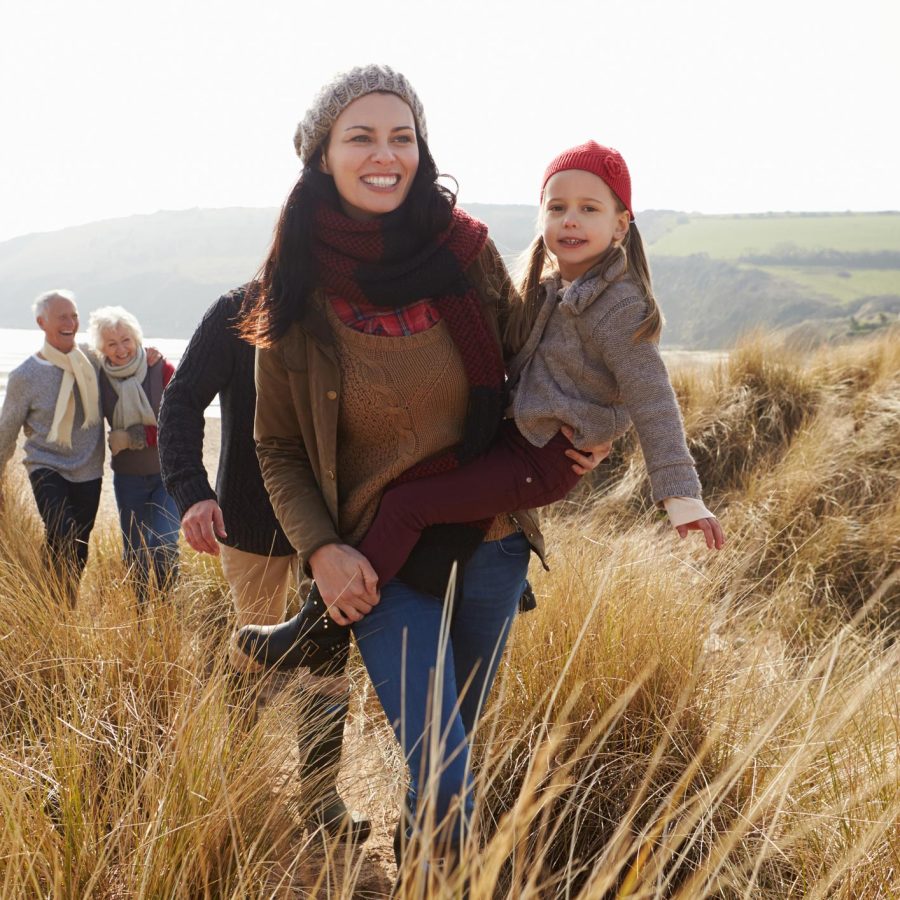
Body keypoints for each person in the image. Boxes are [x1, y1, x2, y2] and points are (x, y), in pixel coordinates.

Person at [234, 65, 609, 864]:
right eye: (360, 136)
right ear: (322, 155)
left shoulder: (466, 255)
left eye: (401, 136)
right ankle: (464, 872)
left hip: (492, 542)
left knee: (448, 751)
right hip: (379, 563)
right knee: (443, 763)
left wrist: (597, 417)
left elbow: (530, 363)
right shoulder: (294, 291)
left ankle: (423, 868)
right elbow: (278, 447)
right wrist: (321, 550)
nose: (386, 154)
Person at [240, 140, 724, 671]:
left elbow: (650, 394)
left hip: (541, 457)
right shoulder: (551, 288)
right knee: (410, 489)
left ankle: (321, 628)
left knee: (406, 506)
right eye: (557, 207)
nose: (570, 220)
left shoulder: (619, 304)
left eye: (590, 209)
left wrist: (680, 495)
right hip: (522, 443)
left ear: (621, 224)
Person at [156, 285, 370, 843]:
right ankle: (239, 763)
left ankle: (320, 794)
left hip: (337, 523)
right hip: (248, 519)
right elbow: (180, 401)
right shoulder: (237, 309)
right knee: (256, 652)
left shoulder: (358, 302)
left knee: (328, 652)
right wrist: (192, 491)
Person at [0, 290, 103, 607]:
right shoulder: (24, 376)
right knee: (62, 531)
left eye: (74, 315)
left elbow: (126, 357)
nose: (71, 322)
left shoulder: (93, 359)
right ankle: (48, 598)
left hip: (89, 468)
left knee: (79, 545)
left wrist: (149, 354)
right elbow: (7, 429)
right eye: (63, 316)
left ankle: (62, 604)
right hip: (46, 465)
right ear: (42, 323)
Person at [90, 306, 180, 603]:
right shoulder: (99, 375)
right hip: (127, 478)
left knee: (165, 543)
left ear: (137, 338)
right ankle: (141, 613)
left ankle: (168, 612)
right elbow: (68, 353)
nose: (121, 349)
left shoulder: (161, 369)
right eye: (111, 343)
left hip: (166, 475)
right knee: (135, 550)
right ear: (101, 348)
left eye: (126, 339)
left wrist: (132, 437)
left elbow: (178, 423)